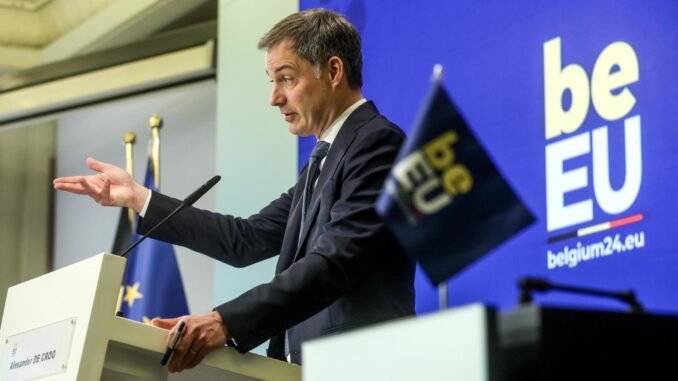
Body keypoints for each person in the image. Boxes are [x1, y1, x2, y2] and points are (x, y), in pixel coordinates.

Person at [54, 9, 414, 371]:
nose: (274, 98)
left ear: (334, 71)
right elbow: (245, 239)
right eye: (271, 81)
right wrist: (139, 197)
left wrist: (223, 322)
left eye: (286, 79)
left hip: (361, 367)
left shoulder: (377, 143)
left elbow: (335, 262)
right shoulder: (321, 162)